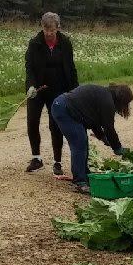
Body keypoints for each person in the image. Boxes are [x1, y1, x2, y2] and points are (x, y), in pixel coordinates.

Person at [51, 84, 133, 194]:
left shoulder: (104, 95)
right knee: (79, 145)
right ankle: (80, 182)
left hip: (63, 106)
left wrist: (103, 138)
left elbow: (93, 120)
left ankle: (84, 175)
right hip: (64, 109)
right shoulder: (107, 102)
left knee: (82, 143)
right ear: (121, 99)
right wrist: (117, 148)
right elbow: (109, 128)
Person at [24, 12, 79, 176]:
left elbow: (71, 68)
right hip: (38, 89)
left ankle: (57, 162)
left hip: (58, 89)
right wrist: (31, 86)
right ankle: (36, 158)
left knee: (55, 124)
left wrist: (75, 90)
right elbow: (30, 68)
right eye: (46, 30)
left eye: (52, 31)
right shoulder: (35, 43)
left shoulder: (65, 43)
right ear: (42, 27)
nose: (48, 34)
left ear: (58, 28)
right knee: (32, 121)